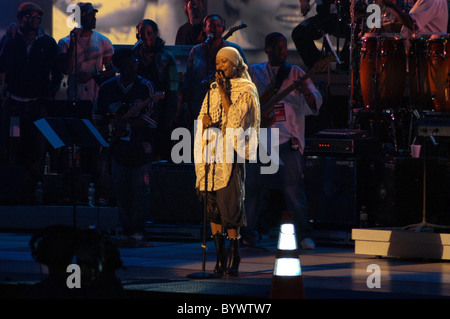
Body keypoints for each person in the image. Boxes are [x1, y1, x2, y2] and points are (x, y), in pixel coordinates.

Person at [244, 32, 323, 250]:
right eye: (277, 48)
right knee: (252, 191)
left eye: (284, 48)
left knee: (293, 191)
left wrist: (305, 91)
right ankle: (248, 235)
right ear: (267, 49)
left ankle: (304, 235)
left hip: (287, 141)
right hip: (261, 140)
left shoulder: (296, 72)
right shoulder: (255, 72)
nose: (282, 51)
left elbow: (315, 103)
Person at [194, 46, 260, 277]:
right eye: (217, 62)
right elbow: (203, 115)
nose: (220, 66)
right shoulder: (211, 89)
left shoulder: (246, 90)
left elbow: (235, 124)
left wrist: (224, 94)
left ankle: (235, 255)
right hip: (212, 154)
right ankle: (220, 257)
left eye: (224, 62)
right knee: (213, 209)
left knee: (230, 208)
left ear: (235, 64)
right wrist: (205, 120)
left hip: (231, 155)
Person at [93, 48, 157, 244]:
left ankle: (139, 228)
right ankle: (126, 228)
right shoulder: (107, 88)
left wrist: (127, 124)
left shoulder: (146, 87)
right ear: (120, 66)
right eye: (130, 63)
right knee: (120, 189)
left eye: (135, 62)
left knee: (139, 189)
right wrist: (109, 130)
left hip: (140, 147)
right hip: (117, 148)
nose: (134, 65)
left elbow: (151, 120)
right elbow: (97, 116)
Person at [0, 2, 62, 201]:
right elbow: (2, 65)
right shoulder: (10, 39)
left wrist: (48, 93)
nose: (35, 20)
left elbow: (57, 72)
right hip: (14, 104)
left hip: (36, 104)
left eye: (38, 17)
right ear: (21, 18)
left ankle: (31, 193)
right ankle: (11, 193)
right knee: (11, 146)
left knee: (36, 148)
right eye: (31, 16)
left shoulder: (48, 42)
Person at [182, 14, 248, 131]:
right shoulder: (196, 51)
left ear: (223, 28)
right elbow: (188, 81)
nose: (215, 29)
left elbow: (245, 78)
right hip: (200, 108)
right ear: (204, 28)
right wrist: (186, 106)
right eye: (212, 26)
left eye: (219, 26)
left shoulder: (234, 50)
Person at [133, 19, 178, 161]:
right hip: (139, 107)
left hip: (160, 108)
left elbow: (173, 86)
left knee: (160, 145)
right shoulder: (134, 55)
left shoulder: (166, 56)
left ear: (155, 34)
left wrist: (171, 112)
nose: (145, 36)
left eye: (149, 33)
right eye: (142, 33)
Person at [57, 2, 115, 104]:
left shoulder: (103, 41)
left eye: (94, 15)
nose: (94, 19)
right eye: (90, 16)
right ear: (79, 18)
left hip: (96, 99)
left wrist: (93, 74)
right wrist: (72, 43)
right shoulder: (65, 42)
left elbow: (111, 72)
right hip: (74, 97)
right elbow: (66, 70)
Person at [291, 0, 350, 70]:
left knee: (355, 30)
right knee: (298, 32)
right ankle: (317, 63)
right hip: (324, 17)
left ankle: (346, 62)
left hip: (346, 18)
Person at [381, 0, 448, 36]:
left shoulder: (430, 1)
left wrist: (390, 4)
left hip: (426, 53)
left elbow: (412, 23)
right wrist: (385, 27)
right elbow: (421, 26)